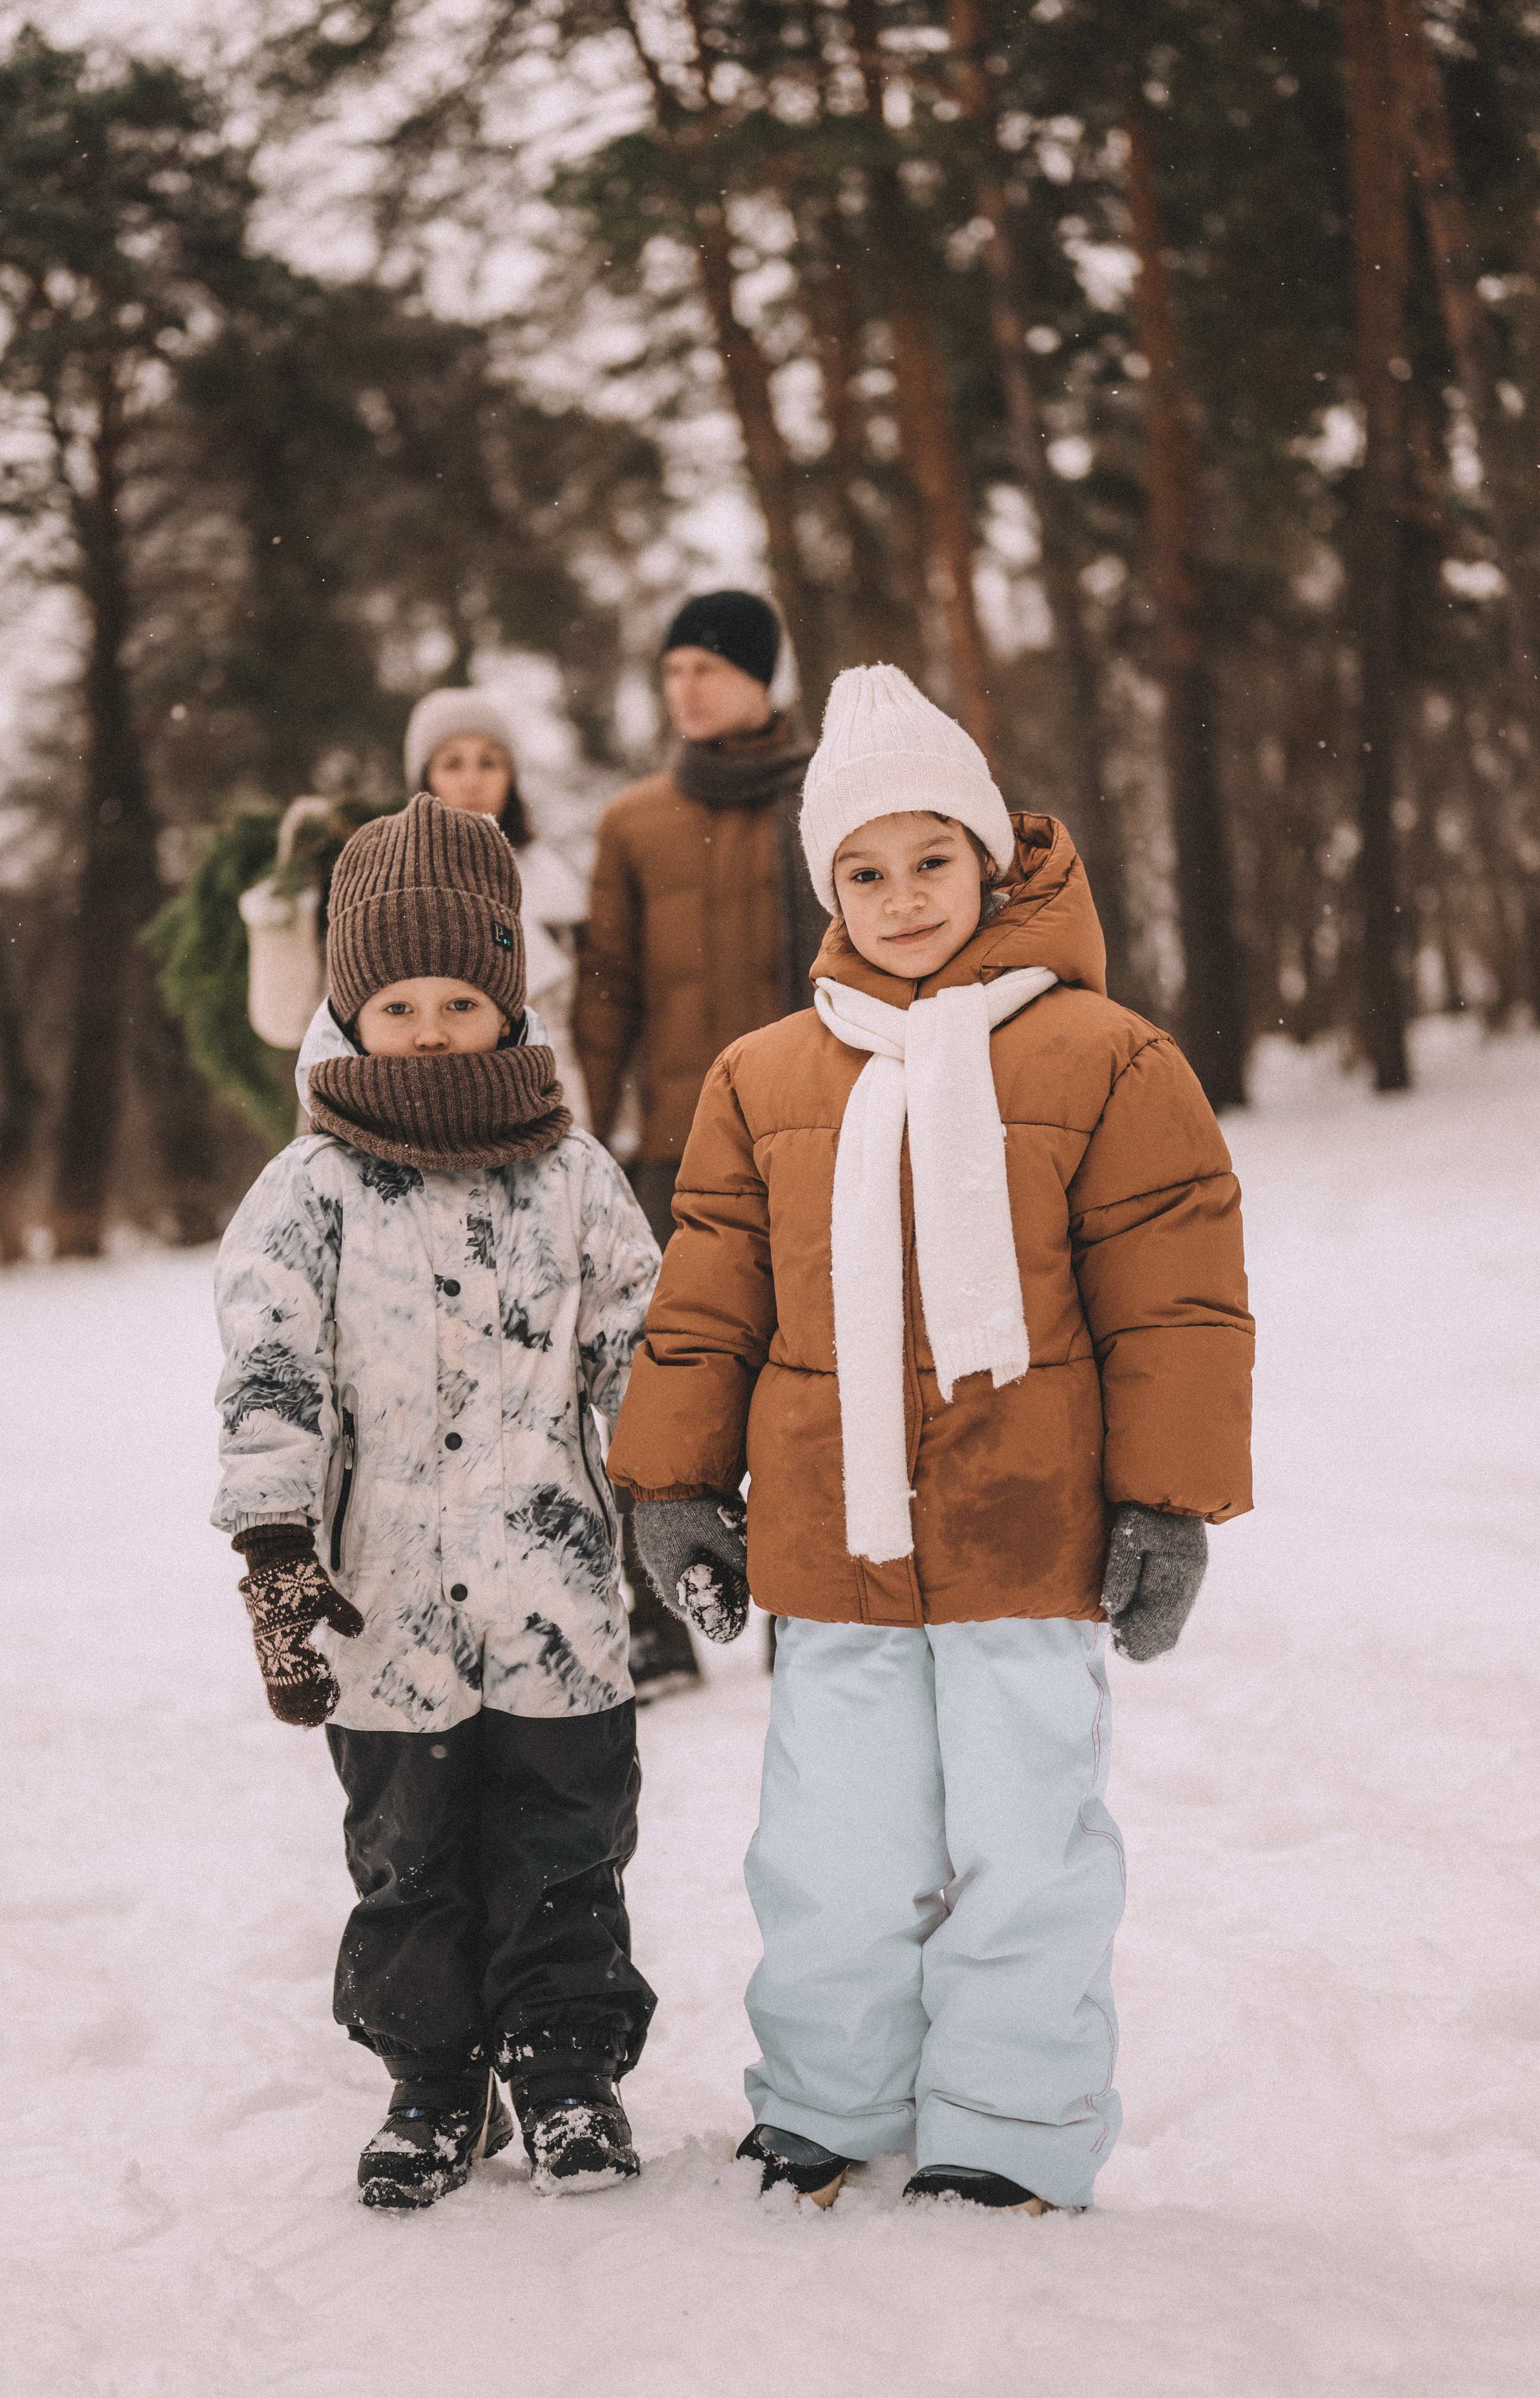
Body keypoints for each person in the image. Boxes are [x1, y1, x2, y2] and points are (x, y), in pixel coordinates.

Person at [608, 663, 1254, 2216]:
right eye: (863, 870)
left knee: (1028, 1842)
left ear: (991, 858)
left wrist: (1165, 1502)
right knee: (829, 1844)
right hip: (831, 1538)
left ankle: (1009, 2124)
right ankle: (827, 2099)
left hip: (1026, 1539)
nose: (901, 897)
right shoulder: (763, 1075)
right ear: (826, 885)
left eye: (930, 860)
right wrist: (678, 1478)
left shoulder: (1104, 1056)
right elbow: (704, 1298)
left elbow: (1175, 1295)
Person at [211, 795, 661, 2211]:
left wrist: (683, 1488)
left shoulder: (574, 1174)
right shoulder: (307, 1191)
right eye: (393, 998)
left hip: (558, 1593)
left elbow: (640, 1354)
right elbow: (270, 1372)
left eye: (457, 996)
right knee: (407, 1853)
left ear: (505, 1001)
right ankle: (433, 2077)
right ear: (350, 1007)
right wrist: (277, 1546)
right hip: (382, 1595)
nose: (423, 1024)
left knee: (562, 1840)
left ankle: (563, 2065)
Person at [574, 589, 825, 1697]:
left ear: (763, 677)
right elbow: (606, 990)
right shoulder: (633, 822)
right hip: (676, 1144)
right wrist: (593, 1120)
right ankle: (664, 1615)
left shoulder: (829, 797)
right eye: (673, 670)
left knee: (809, 1373)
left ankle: (810, 1607)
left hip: (814, 1133)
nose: (687, 687)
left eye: (709, 668)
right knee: (667, 1378)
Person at [239, 690, 589, 1127]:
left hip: (534, 1127)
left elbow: (582, 1034)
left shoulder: (556, 890)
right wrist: (286, 905)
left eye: (489, 762)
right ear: (424, 775)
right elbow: (292, 1021)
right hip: (379, 1133)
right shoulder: (377, 886)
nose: (472, 781)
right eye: (452, 763)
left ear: (511, 775)